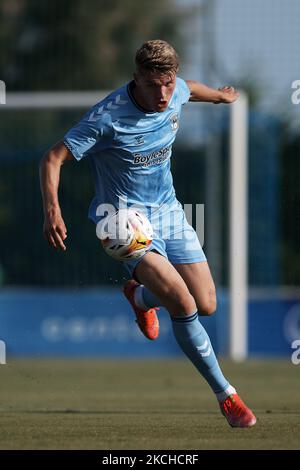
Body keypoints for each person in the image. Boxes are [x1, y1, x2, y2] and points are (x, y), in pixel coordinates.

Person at [39, 39, 256, 428]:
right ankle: (228, 396)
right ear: (136, 78)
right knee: (183, 304)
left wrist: (220, 98)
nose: (163, 94)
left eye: (168, 84)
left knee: (207, 303)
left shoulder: (177, 92)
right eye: (154, 85)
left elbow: (191, 88)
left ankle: (139, 297)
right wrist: (52, 210)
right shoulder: (106, 118)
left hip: (171, 213)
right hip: (124, 224)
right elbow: (53, 158)